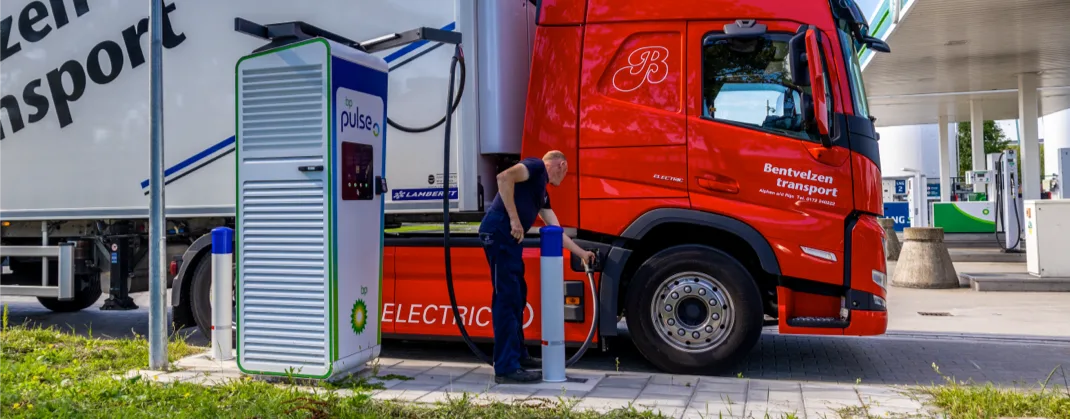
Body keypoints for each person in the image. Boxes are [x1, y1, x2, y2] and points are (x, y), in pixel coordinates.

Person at [478, 150, 596, 384]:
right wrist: (514, 218)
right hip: (500, 232)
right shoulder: (535, 167)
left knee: (518, 297)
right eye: (566, 172)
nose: (563, 180)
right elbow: (503, 178)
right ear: (561, 164)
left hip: (510, 240)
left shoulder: (542, 192)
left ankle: (519, 358)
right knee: (507, 298)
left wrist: (581, 253)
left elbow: (556, 230)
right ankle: (505, 368)